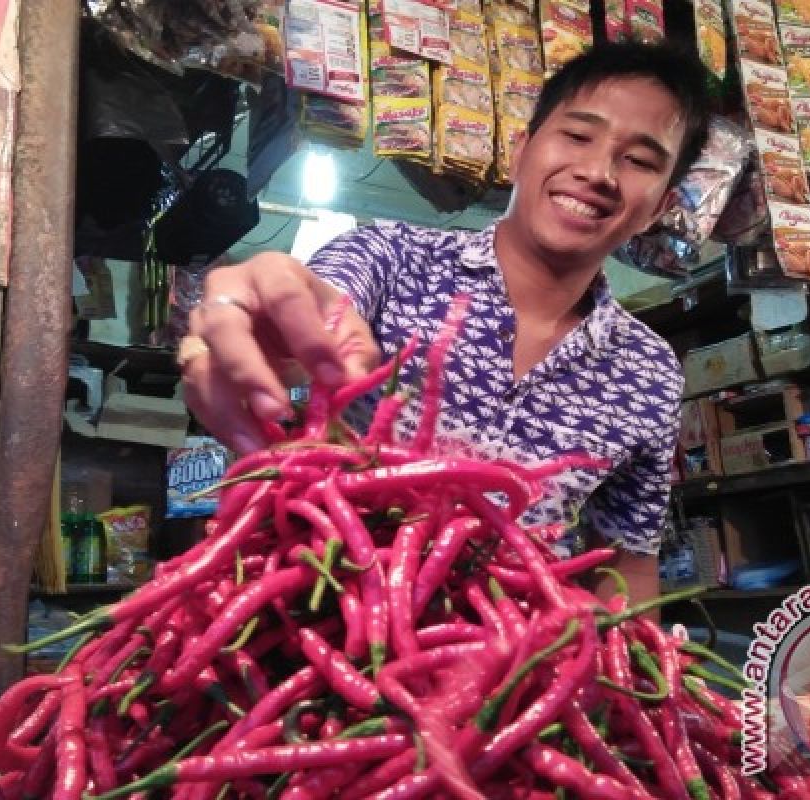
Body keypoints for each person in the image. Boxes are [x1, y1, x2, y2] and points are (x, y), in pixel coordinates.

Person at [178, 40, 711, 605]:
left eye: (640, 161)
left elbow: (626, 563)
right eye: (578, 136)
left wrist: (632, 680)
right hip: (325, 625)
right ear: (522, 150)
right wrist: (275, 314)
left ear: (660, 205)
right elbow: (326, 300)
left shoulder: (650, 373)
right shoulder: (390, 257)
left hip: (514, 672)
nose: (598, 171)